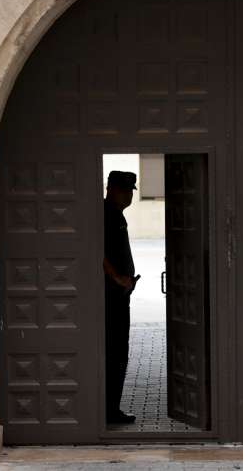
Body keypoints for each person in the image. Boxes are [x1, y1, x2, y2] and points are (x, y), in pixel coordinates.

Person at [103, 170, 139, 424]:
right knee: (114, 353)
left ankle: (111, 408)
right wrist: (117, 278)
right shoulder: (104, 215)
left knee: (119, 353)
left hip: (119, 297)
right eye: (124, 190)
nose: (128, 196)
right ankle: (108, 410)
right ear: (110, 188)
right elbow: (97, 251)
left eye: (130, 191)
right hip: (109, 297)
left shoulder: (116, 215)